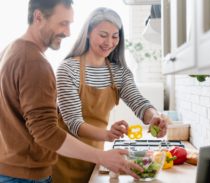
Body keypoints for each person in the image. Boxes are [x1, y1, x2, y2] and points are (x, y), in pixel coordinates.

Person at [0, 1, 143, 183]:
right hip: (27, 174)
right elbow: (46, 132)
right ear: (38, 17)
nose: (68, 33)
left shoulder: (11, 50)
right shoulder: (35, 63)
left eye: (70, 24)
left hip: (9, 168)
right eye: (62, 23)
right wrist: (103, 157)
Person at [52, 7, 168, 183]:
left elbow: (139, 102)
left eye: (115, 36)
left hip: (97, 159)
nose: (109, 42)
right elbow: (74, 123)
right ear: (88, 33)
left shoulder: (119, 72)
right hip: (63, 160)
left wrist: (154, 116)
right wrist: (107, 134)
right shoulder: (67, 69)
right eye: (103, 35)